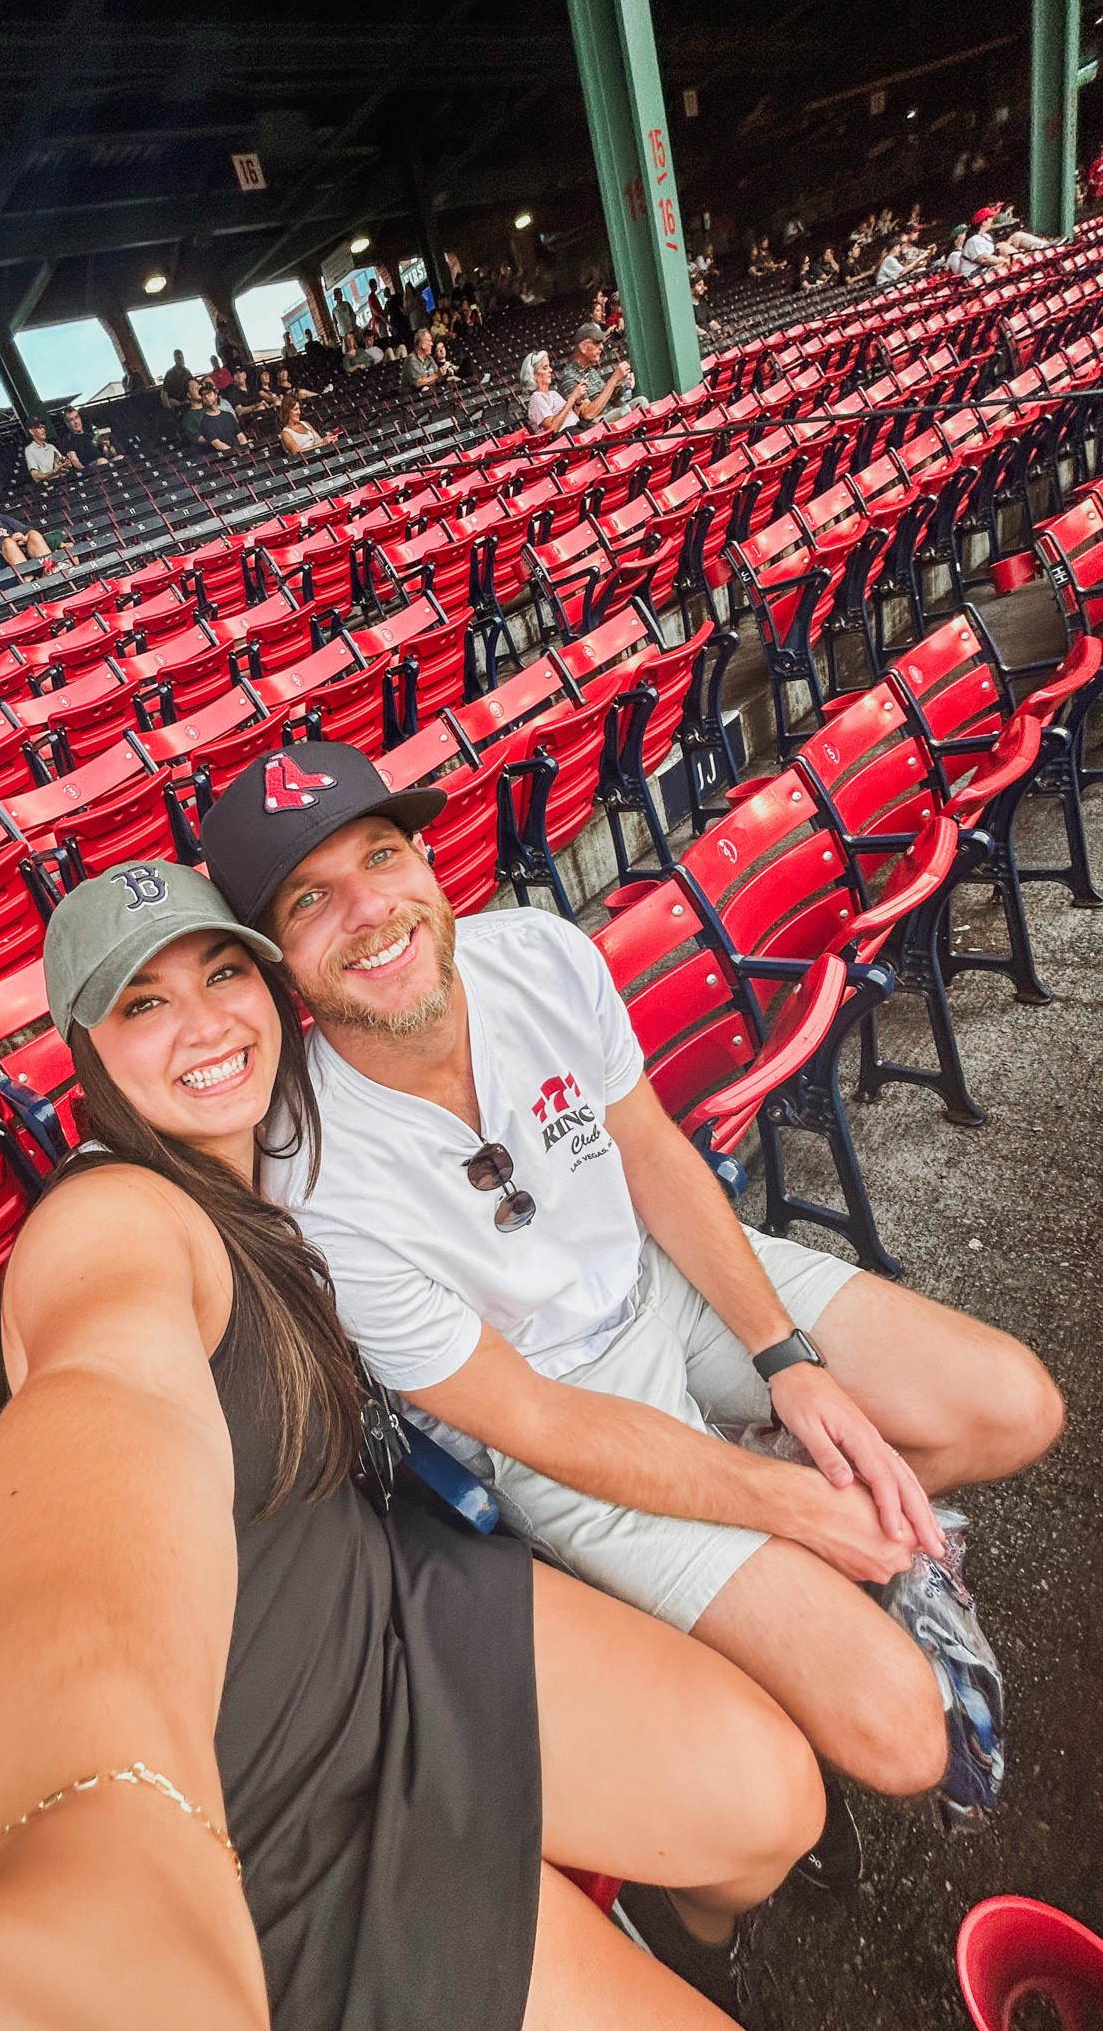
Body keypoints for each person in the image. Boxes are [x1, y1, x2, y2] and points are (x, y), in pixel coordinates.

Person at [0, 865, 823, 2030]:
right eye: (144, 1002)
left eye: (224, 972)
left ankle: (678, 1928)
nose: (207, 1022)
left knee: (773, 1802)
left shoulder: (281, 1148)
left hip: (391, 1608)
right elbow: (108, 1405)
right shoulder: (113, 1219)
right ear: (89, 1053)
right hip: (265, 1809)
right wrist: (72, 1829)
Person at [198, 741, 1065, 1817]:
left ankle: (751, 1513)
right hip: (553, 1404)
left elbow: (650, 1152)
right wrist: (793, 1503)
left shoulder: (540, 953)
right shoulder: (308, 1176)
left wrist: (787, 1360)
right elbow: (531, 1417)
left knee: (1014, 1405)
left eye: (382, 855)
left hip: (657, 1278)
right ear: (277, 964)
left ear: (426, 861)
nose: (370, 909)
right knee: (901, 1733)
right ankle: (752, 1554)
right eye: (310, 899)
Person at [556, 322, 632, 425]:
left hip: (614, 413)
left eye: (601, 342)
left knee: (645, 404)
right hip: (600, 424)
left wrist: (622, 385)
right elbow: (588, 415)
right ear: (583, 347)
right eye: (596, 343)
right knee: (639, 404)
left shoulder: (591, 370)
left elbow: (607, 400)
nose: (601, 347)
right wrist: (613, 380)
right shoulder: (569, 376)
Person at [521, 351, 586, 436]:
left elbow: (572, 418)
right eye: (545, 368)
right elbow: (553, 429)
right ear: (534, 375)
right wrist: (572, 398)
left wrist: (578, 401)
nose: (551, 370)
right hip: (563, 437)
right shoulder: (536, 398)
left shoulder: (554, 394)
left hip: (576, 429)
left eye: (549, 366)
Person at [197, 385, 249, 457]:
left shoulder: (228, 415)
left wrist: (245, 449)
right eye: (204, 396)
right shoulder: (205, 422)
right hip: (226, 456)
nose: (207, 397)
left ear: (215, 395)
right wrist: (236, 453)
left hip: (239, 451)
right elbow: (217, 444)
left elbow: (240, 435)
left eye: (209, 394)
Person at [403, 328, 444, 394]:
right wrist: (436, 375)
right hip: (415, 396)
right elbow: (418, 383)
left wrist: (443, 373)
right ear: (423, 345)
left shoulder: (430, 358)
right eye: (429, 341)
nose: (432, 344)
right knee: (425, 389)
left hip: (433, 391)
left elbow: (437, 379)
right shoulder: (411, 359)